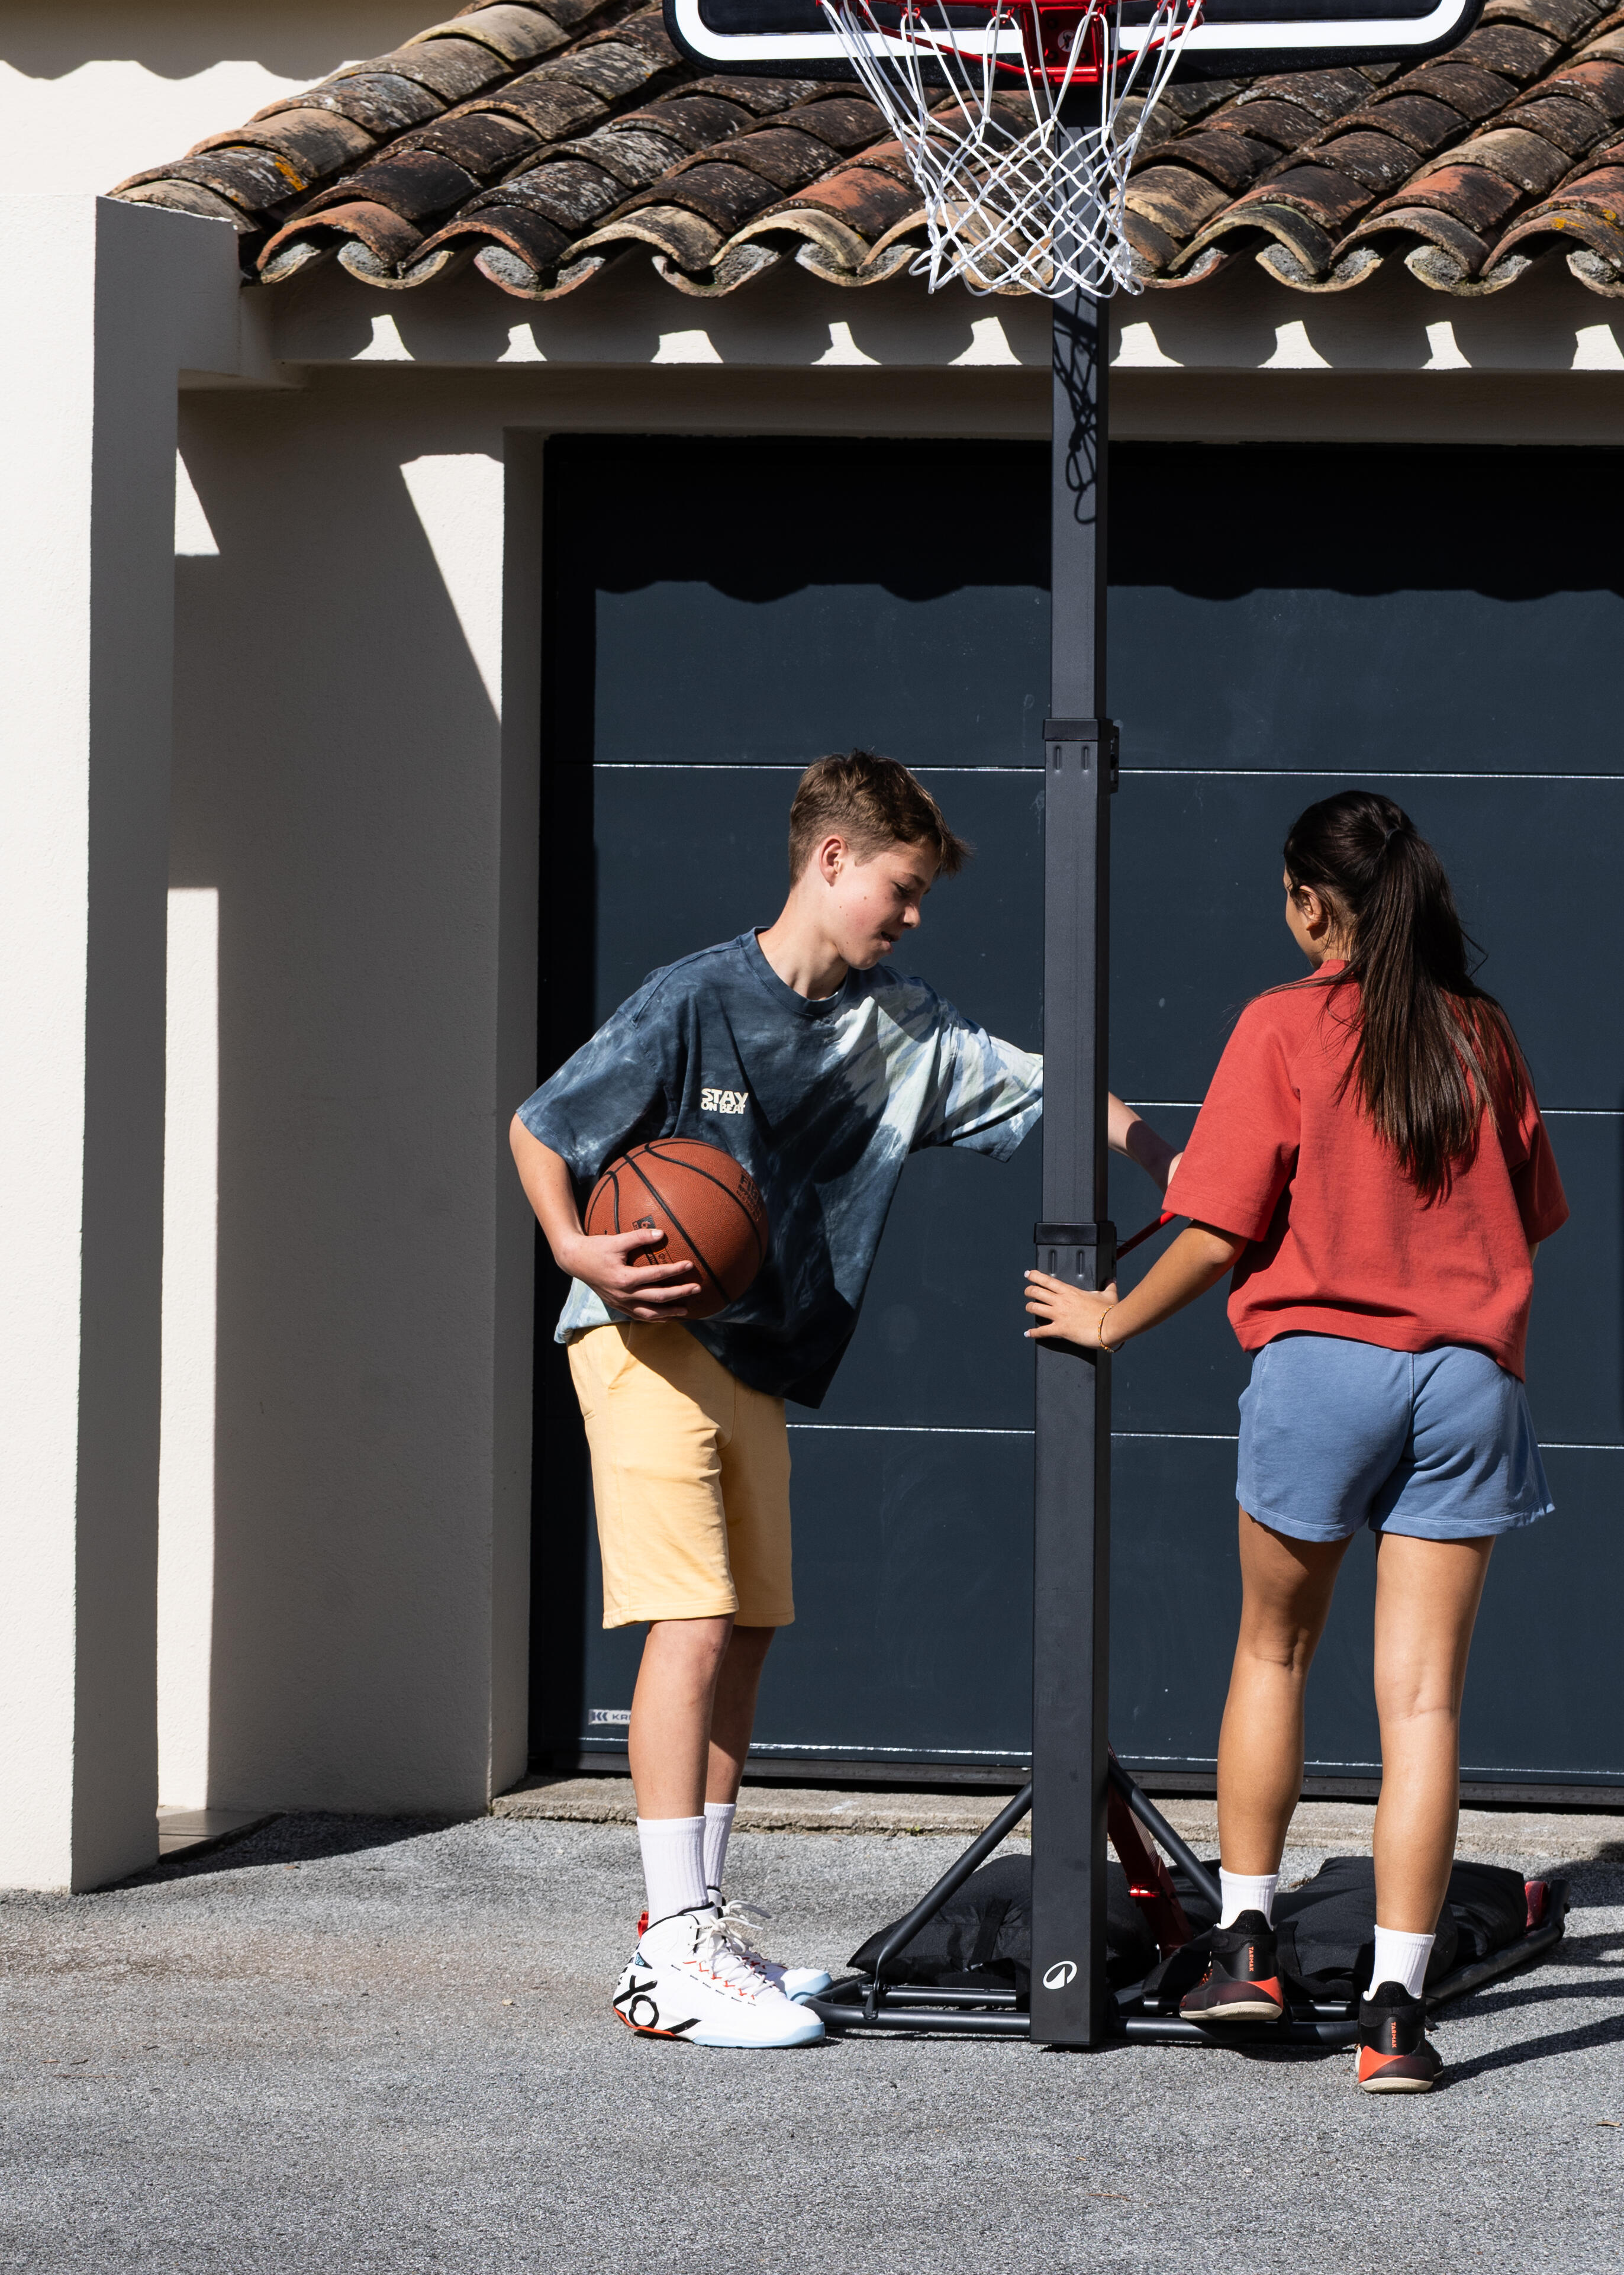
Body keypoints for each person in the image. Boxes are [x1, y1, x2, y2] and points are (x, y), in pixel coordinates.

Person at [514, 748, 1172, 2049]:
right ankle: (665, 1956)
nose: (912, 915)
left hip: (754, 1356)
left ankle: (693, 1920)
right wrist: (571, 1245)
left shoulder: (902, 1029)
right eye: (902, 887)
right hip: (640, 1335)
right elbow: (546, 1126)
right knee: (692, 1620)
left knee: (747, 1629)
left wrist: (1170, 1161)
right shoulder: (696, 996)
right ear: (830, 862)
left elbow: (1045, 1085)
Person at [1024, 791, 1564, 2095]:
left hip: (1320, 1375)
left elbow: (1213, 1232)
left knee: (1274, 1649)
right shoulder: (1479, 1034)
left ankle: (1246, 1944)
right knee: (1421, 1702)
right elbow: (1527, 1211)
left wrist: (1108, 1321)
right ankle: (1392, 2015)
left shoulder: (1278, 1025)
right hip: (1464, 1384)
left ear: (1311, 907)